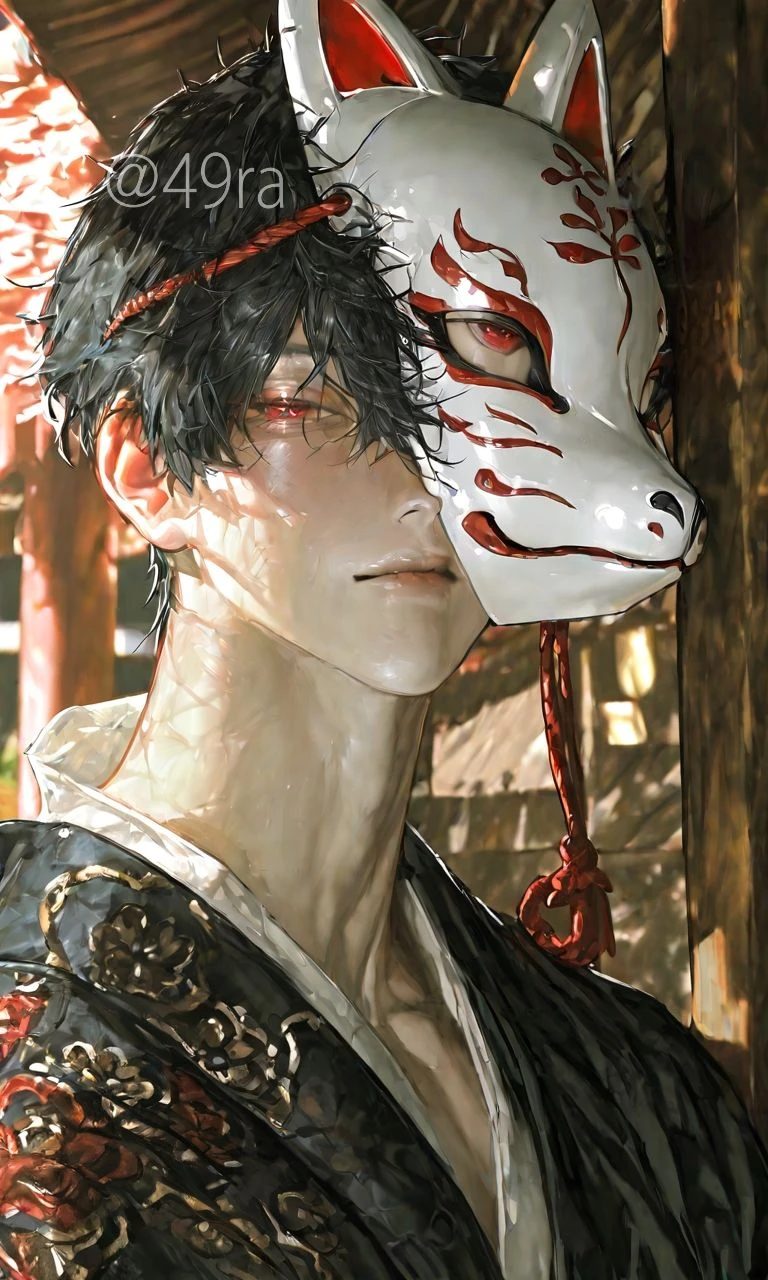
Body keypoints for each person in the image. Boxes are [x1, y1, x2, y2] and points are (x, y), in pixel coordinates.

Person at [0, 2, 765, 1277]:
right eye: (330, 392)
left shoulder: (628, 1073)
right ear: (145, 462)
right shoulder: (32, 1063)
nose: (424, 474)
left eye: (485, 385)